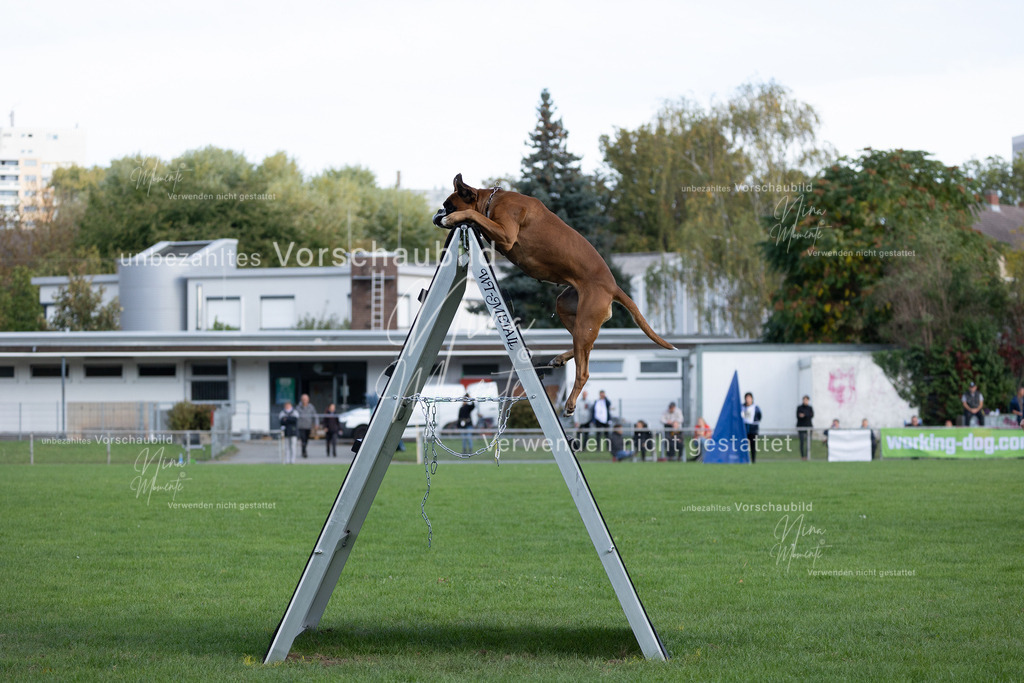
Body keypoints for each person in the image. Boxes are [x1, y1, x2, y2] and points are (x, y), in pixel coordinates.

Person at [741, 392, 762, 463]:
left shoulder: (756, 408)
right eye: (747, 398)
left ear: (752, 399)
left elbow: (759, 417)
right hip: (744, 429)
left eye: (749, 398)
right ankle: (744, 460)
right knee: (743, 445)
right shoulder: (742, 407)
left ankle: (753, 460)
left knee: (753, 445)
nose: (748, 399)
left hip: (753, 430)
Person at [296, 393, 318, 458]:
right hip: (301, 426)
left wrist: (316, 424)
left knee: (306, 439)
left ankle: (304, 450)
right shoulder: (298, 407)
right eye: (303, 399)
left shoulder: (311, 407)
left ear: (308, 400)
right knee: (303, 439)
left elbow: (315, 416)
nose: (304, 400)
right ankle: (304, 451)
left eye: (305, 399)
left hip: (308, 426)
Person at [796, 395, 814, 461]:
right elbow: (798, 416)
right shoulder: (799, 408)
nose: (805, 401)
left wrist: (804, 415)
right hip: (801, 427)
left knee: (808, 442)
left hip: (808, 427)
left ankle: (807, 455)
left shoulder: (810, 408)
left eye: (806, 400)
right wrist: (806, 415)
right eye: (804, 400)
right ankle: (802, 456)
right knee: (802, 442)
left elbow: (811, 415)